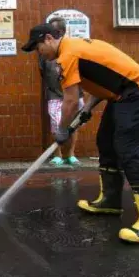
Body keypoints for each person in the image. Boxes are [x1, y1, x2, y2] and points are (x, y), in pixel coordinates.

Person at [22, 23, 139, 244]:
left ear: (49, 38)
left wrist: (62, 130)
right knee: (105, 142)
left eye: (38, 47)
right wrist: (87, 109)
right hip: (120, 96)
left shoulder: (68, 54)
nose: (38, 53)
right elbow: (101, 83)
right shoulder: (76, 48)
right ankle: (110, 200)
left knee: (128, 150)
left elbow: (69, 101)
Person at [39, 17, 84, 167]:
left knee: (74, 124)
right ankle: (57, 155)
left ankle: (70, 154)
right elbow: (43, 71)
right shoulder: (45, 50)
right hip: (54, 94)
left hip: (74, 94)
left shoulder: (73, 48)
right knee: (56, 125)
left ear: (60, 31)